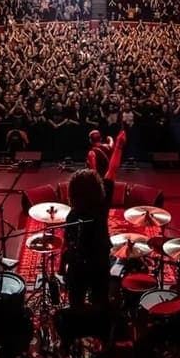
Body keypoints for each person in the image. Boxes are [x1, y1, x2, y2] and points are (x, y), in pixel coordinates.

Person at [61, 168, 112, 308]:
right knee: (101, 300)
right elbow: (111, 171)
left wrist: (61, 267)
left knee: (76, 302)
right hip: (100, 263)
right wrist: (118, 147)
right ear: (98, 188)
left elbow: (67, 242)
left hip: (78, 267)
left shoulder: (72, 216)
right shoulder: (102, 208)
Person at [86, 128, 127, 206]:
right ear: (101, 139)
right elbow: (112, 144)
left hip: (100, 181)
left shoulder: (92, 153)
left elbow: (93, 171)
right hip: (110, 179)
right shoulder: (108, 146)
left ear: (90, 141)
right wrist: (110, 138)